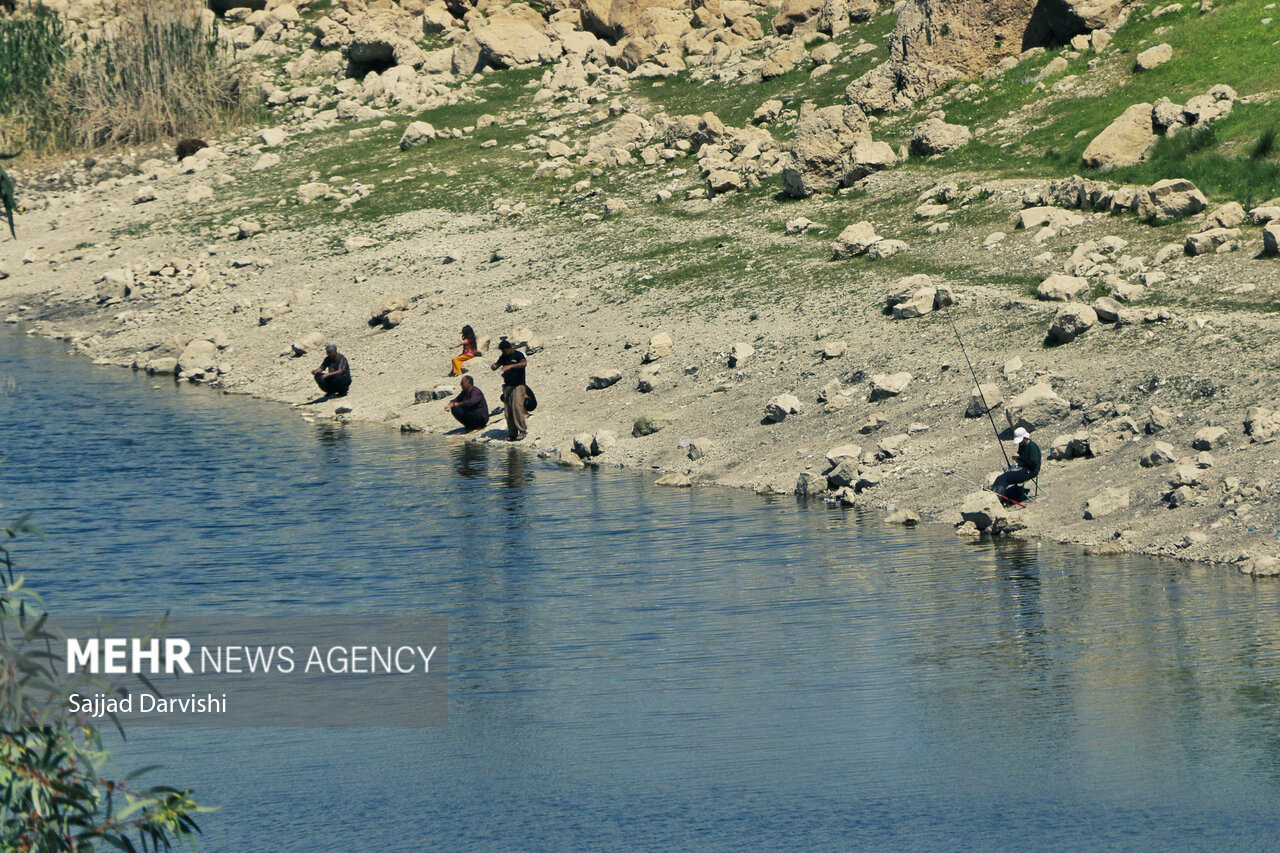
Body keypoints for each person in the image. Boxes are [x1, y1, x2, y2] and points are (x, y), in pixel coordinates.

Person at [992, 427, 1041, 506]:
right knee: (1000, 477)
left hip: (1031, 471)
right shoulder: (1022, 445)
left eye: (1021, 440)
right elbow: (1021, 458)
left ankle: (997, 501)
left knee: (1005, 478)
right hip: (1023, 468)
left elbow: (1033, 464)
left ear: (1025, 437)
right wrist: (1017, 459)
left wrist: (1020, 458)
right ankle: (993, 495)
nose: (1020, 443)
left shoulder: (1032, 446)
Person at [490, 339, 528, 441]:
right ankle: (512, 433)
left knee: (517, 408)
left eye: (505, 351)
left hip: (518, 386)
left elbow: (524, 363)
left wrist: (511, 366)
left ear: (509, 348)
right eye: (502, 351)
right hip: (507, 386)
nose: (504, 353)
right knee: (508, 411)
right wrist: (494, 366)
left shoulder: (518, 355)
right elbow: (497, 365)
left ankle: (522, 430)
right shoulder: (503, 356)